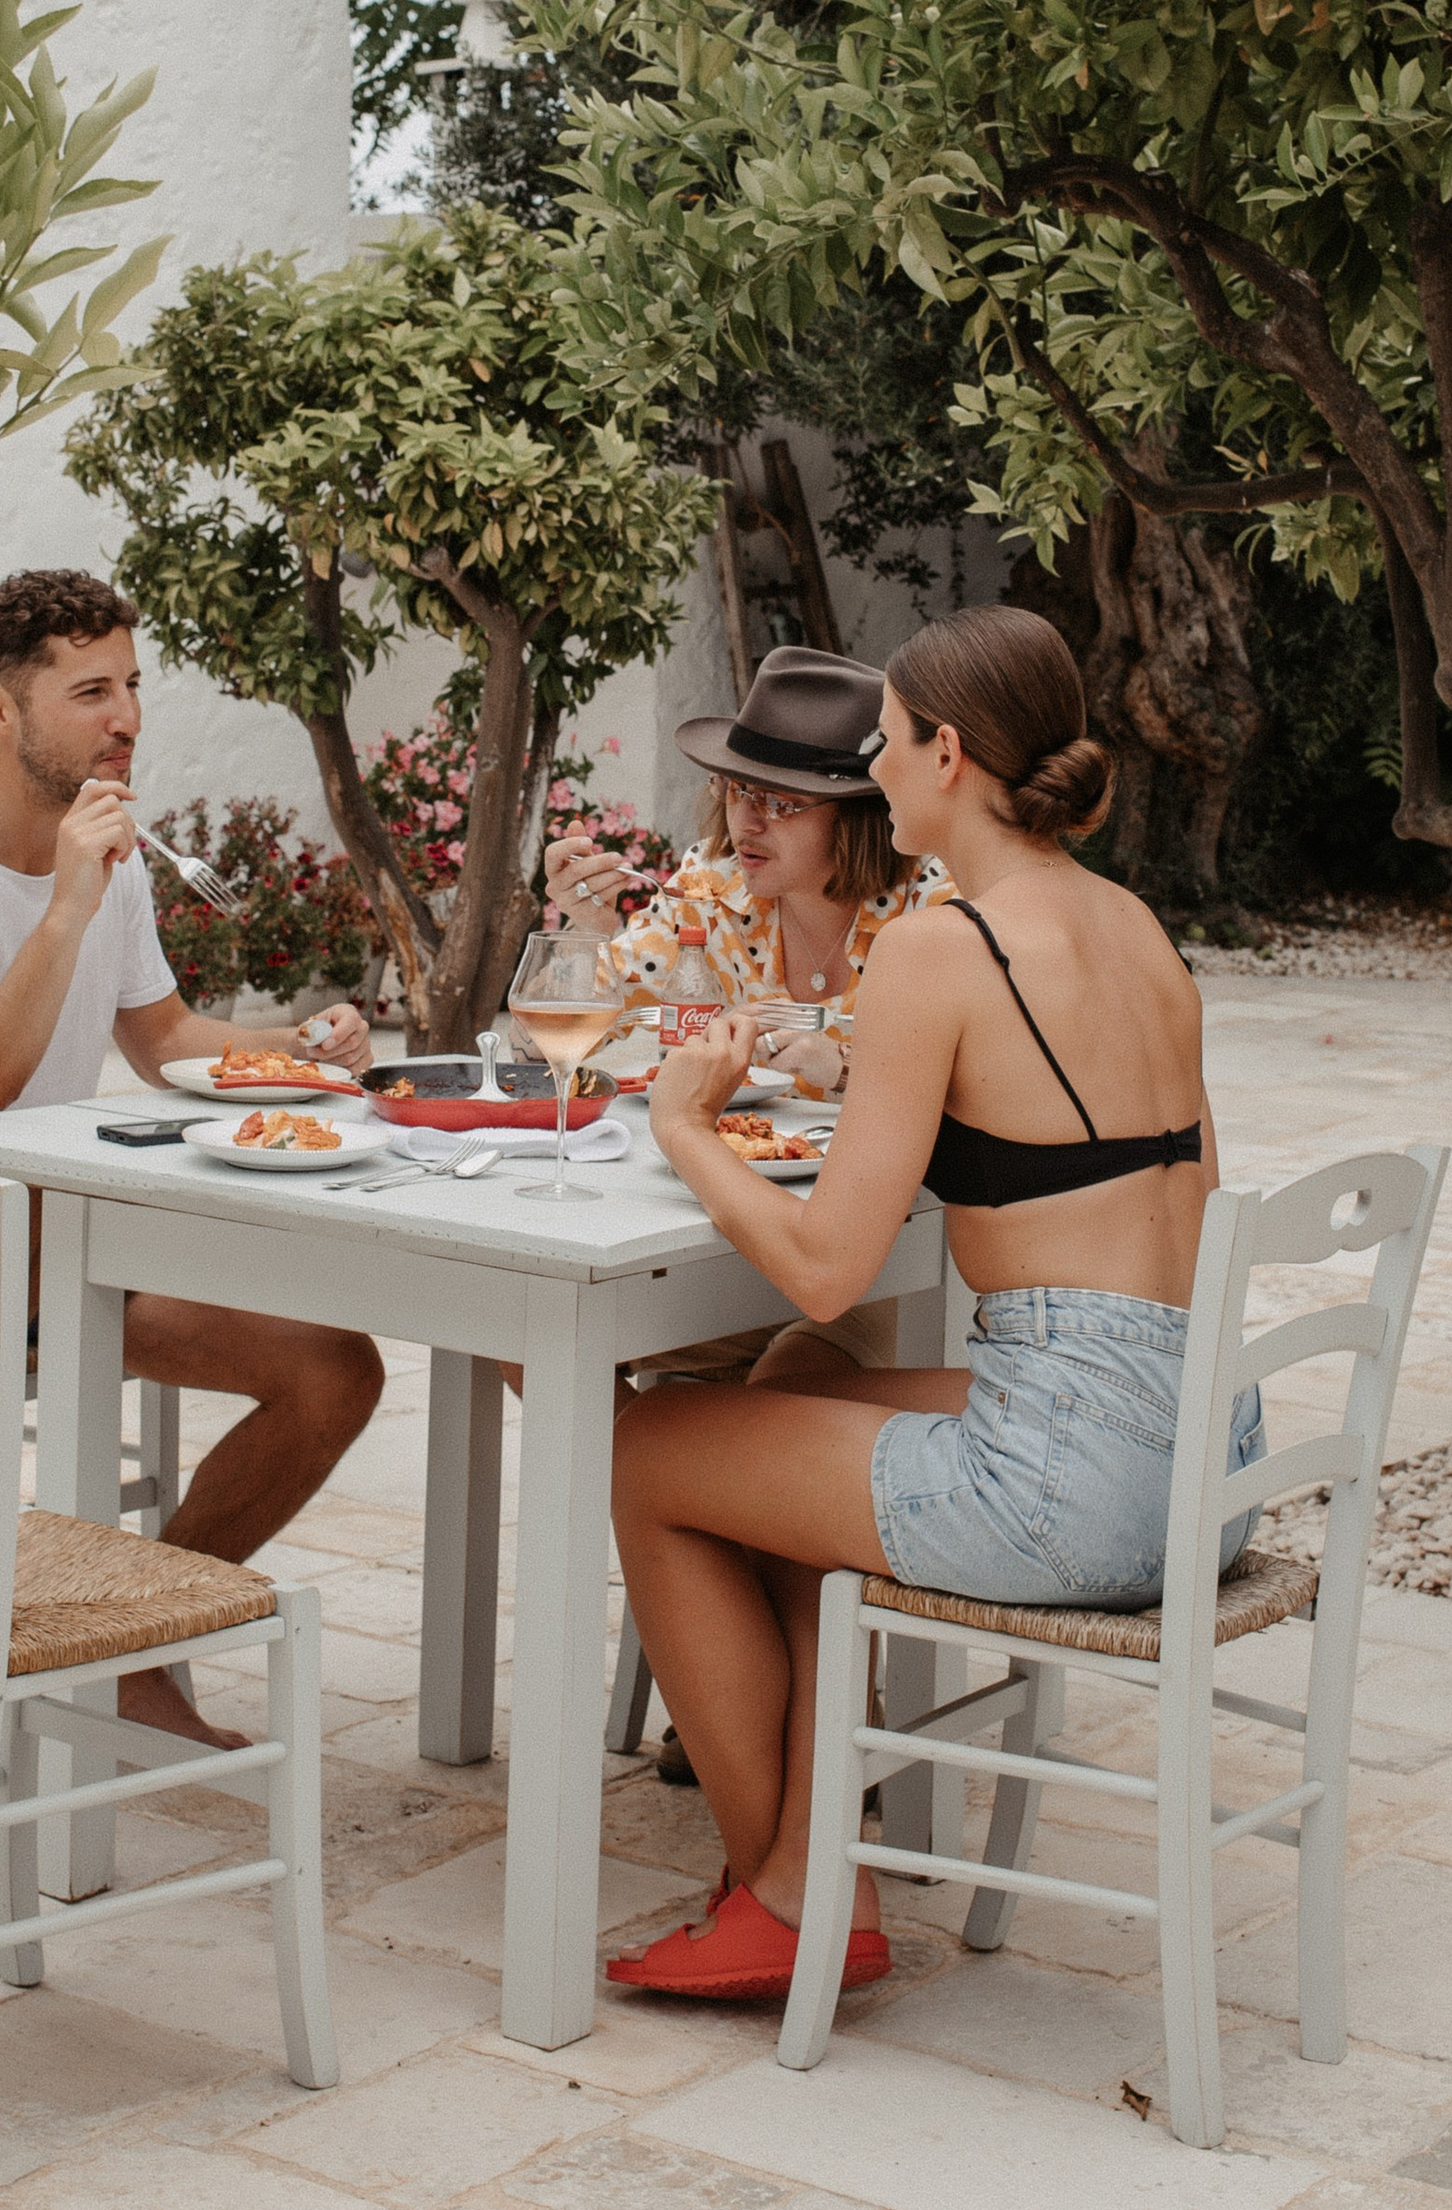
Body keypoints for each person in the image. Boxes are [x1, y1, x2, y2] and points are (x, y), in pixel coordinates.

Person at [600, 603, 1263, 2001]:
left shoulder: (940, 948)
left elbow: (831, 1265)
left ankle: (788, 1906)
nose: (876, 772)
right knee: (785, 1391)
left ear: (948, 752)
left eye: (887, 744)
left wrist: (686, 1132)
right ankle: (797, 1859)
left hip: (1075, 1483)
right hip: (1206, 1447)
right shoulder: (1136, 926)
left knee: (647, 1448)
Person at [0, 566, 385, 1748]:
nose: (124, 719)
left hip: (55, 1243)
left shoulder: (107, 856)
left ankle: (123, 1633)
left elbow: (165, 1042)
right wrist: (64, 905)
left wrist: (292, 1053)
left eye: (131, 687)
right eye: (88, 693)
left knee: (336, 1370)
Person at [304, 645, 950, 1397]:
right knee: (528, 1331)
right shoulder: (711, 888)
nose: (747, 822)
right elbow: (550, 1042)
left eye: (782, 804)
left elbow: (963, 1098)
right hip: (717, 1239)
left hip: (876, 1264)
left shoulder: (931, 910)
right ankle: (644, 1480)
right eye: (738, 790)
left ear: (860, 817)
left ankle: (656, 1477)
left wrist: (839, 1071)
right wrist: (582, 933)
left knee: (773, 1392)